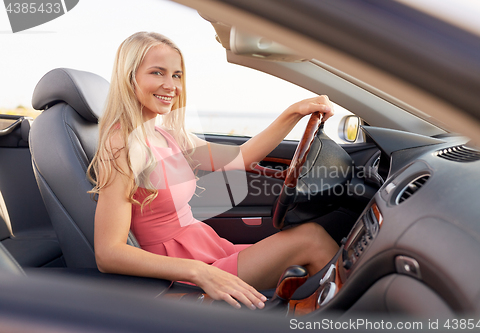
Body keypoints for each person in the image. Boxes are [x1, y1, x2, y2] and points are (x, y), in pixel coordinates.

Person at [89, 31, 339, 310]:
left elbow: (240, 156)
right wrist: (200, 273)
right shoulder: (120, 147)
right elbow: (108, 253)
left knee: (309, 252)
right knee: (312, 239)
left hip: (208, 253)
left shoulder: (167, 135)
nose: (170, 85)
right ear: (130, 77)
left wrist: (294, 112)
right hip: (182, 276)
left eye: (177, 75)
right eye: (157, 73)